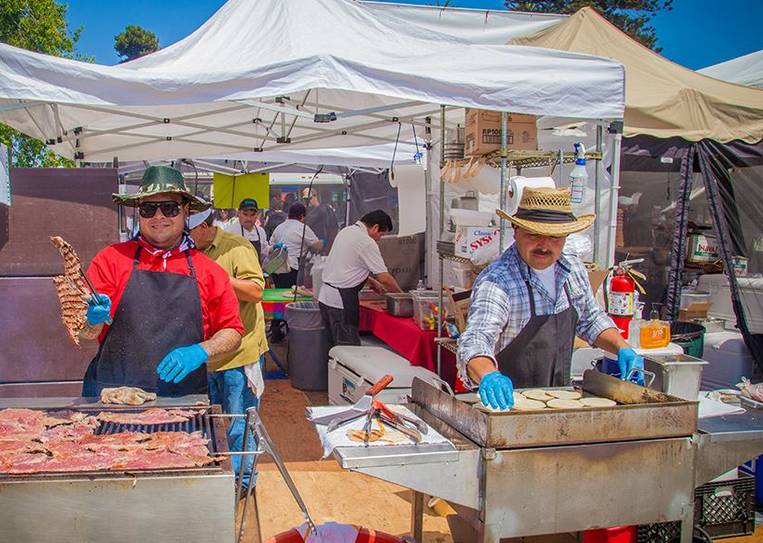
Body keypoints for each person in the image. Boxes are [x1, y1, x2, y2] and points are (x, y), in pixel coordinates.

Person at [457, 187, 644, 410]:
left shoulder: (571, 268)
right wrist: (488, 375)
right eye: (534, 234)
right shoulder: (498, 281)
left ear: (565, 237)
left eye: (554, 237)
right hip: (507, 405)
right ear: (516, 230)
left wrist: (622, 347)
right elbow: (476, 340)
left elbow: (590, 320)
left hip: (558, 400)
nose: (544, 245)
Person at [80, 165, 244, 397]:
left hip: (183, 402)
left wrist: (201, 351)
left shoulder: (209, 271)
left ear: (186, 210)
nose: (159, 217)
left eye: (169, 208)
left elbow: (232, 333)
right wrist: (91, 320)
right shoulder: (111, 259)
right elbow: (85, 333)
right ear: (139, 212)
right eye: (148, 209)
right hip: (113, 398)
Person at [188, 209, 268, 489]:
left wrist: (216, 277)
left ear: (207, 226)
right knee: (211, 422)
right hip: (206, 355)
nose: (186, 238)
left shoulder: (237, 247)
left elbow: (256, 291)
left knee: (239, 423)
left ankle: (243, 482)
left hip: (239, 354)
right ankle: (220, 476)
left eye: (190, 231)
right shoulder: (187, 250)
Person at [318, 210, 403, 346]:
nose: (380, 238)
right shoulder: (366, 242)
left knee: (332, 350)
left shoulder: (347, 231)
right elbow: (385, 278)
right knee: (348, 353)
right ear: (375, 227)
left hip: (325, 299)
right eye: (381, 234)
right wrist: (402, 297)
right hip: (341, 304)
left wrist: (370, 281)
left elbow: (346, 266)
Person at [267, 203, 323, 342]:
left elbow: (271, 244)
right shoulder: (303, 227)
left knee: (278, 296)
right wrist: (324, 242)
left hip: (275, 264)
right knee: (289, 297)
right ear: (303, 216)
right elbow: (316, 245)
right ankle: (289, 328)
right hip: (290, 266)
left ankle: (276, 328)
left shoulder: (280, 226)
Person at [224, 198, 269, 264]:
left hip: (256, 272)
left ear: (257, 215)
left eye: (252, 215)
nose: (248, 218)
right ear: (238, 213)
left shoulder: (261, 231)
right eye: (245, 214)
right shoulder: (229, 232)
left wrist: (273, 249)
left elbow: (264, 252)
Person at [303, 187, 339, 255]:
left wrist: (328, 245)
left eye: (309, 198)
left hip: (325, 246)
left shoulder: (326, 209)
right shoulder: (306, 212)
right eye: (305, 199)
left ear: (315, 196)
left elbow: (333, 227)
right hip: (312, 247)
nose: (307, 201)